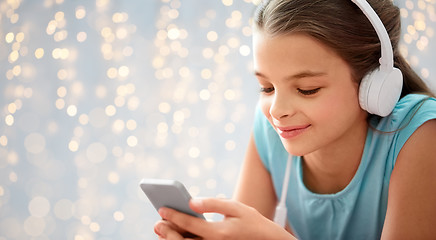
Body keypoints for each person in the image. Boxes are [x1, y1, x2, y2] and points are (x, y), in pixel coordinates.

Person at [153, 0, 436, 239]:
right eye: (267, 88)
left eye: (307, 89)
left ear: (374, 86)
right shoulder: (272, 127)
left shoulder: (420, 133)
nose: (277, 110)